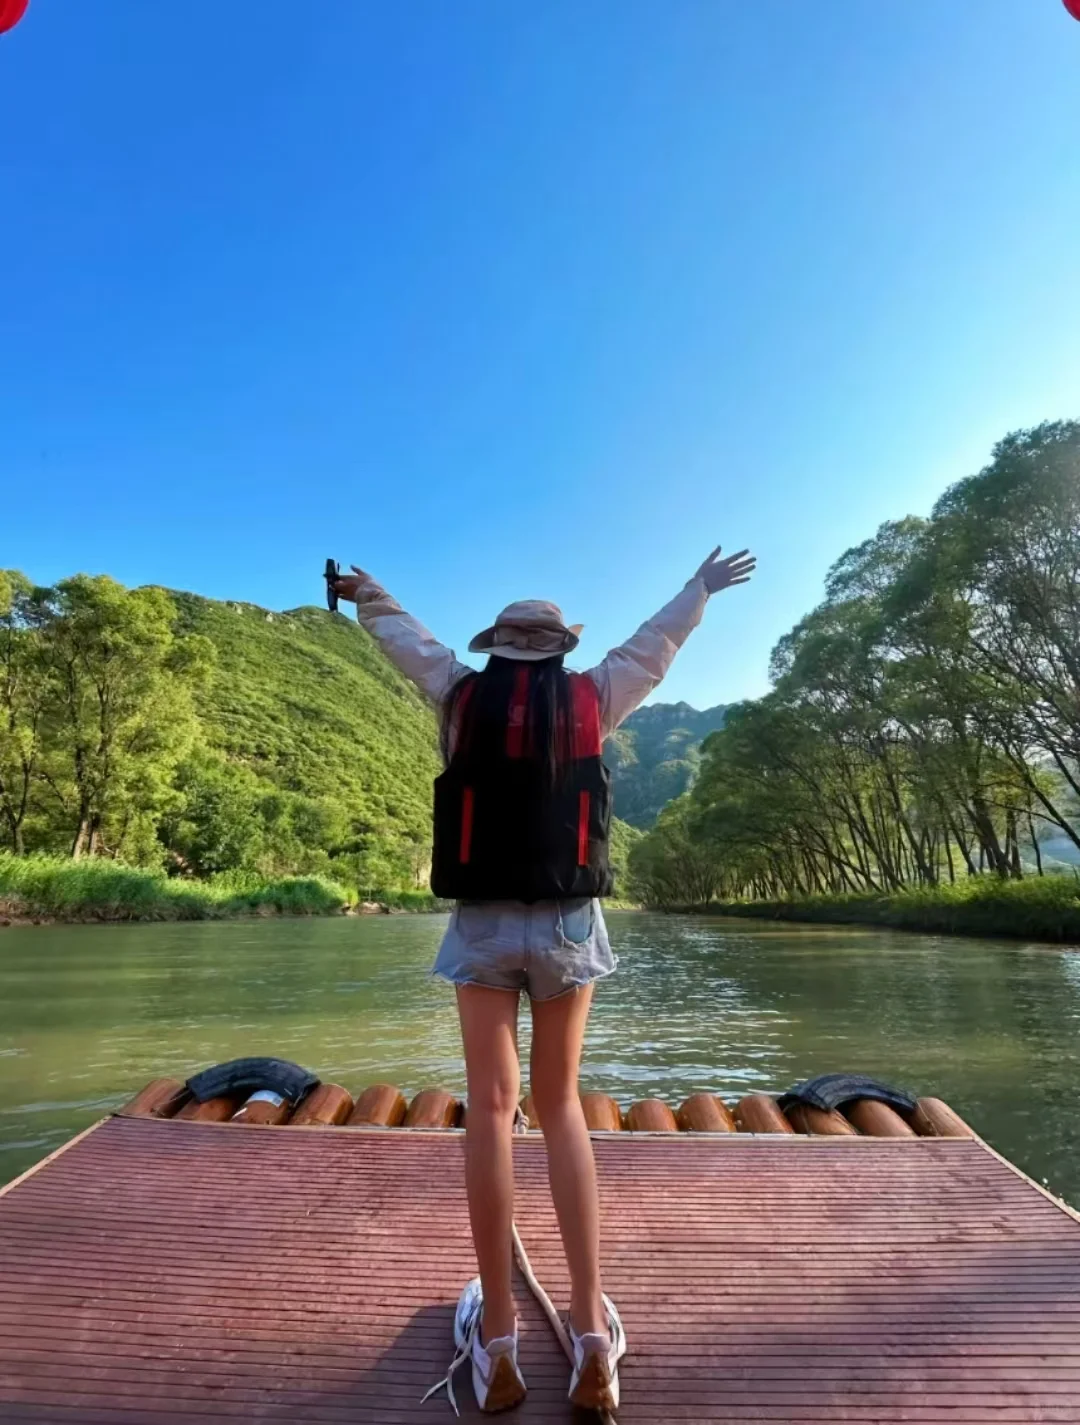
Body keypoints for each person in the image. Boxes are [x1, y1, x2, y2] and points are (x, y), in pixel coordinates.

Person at [332, 545, 756, 1415]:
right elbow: (655, 644)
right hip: (567, 918)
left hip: (483, 915)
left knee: (490, 1108)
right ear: (559, 648)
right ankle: (591, 1335)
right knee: (560, 1104)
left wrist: (367, 592)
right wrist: (700, 587)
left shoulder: (459, 692)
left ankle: (495, 1339)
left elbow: (404, 640)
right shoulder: (595, 695)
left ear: (500, 648)